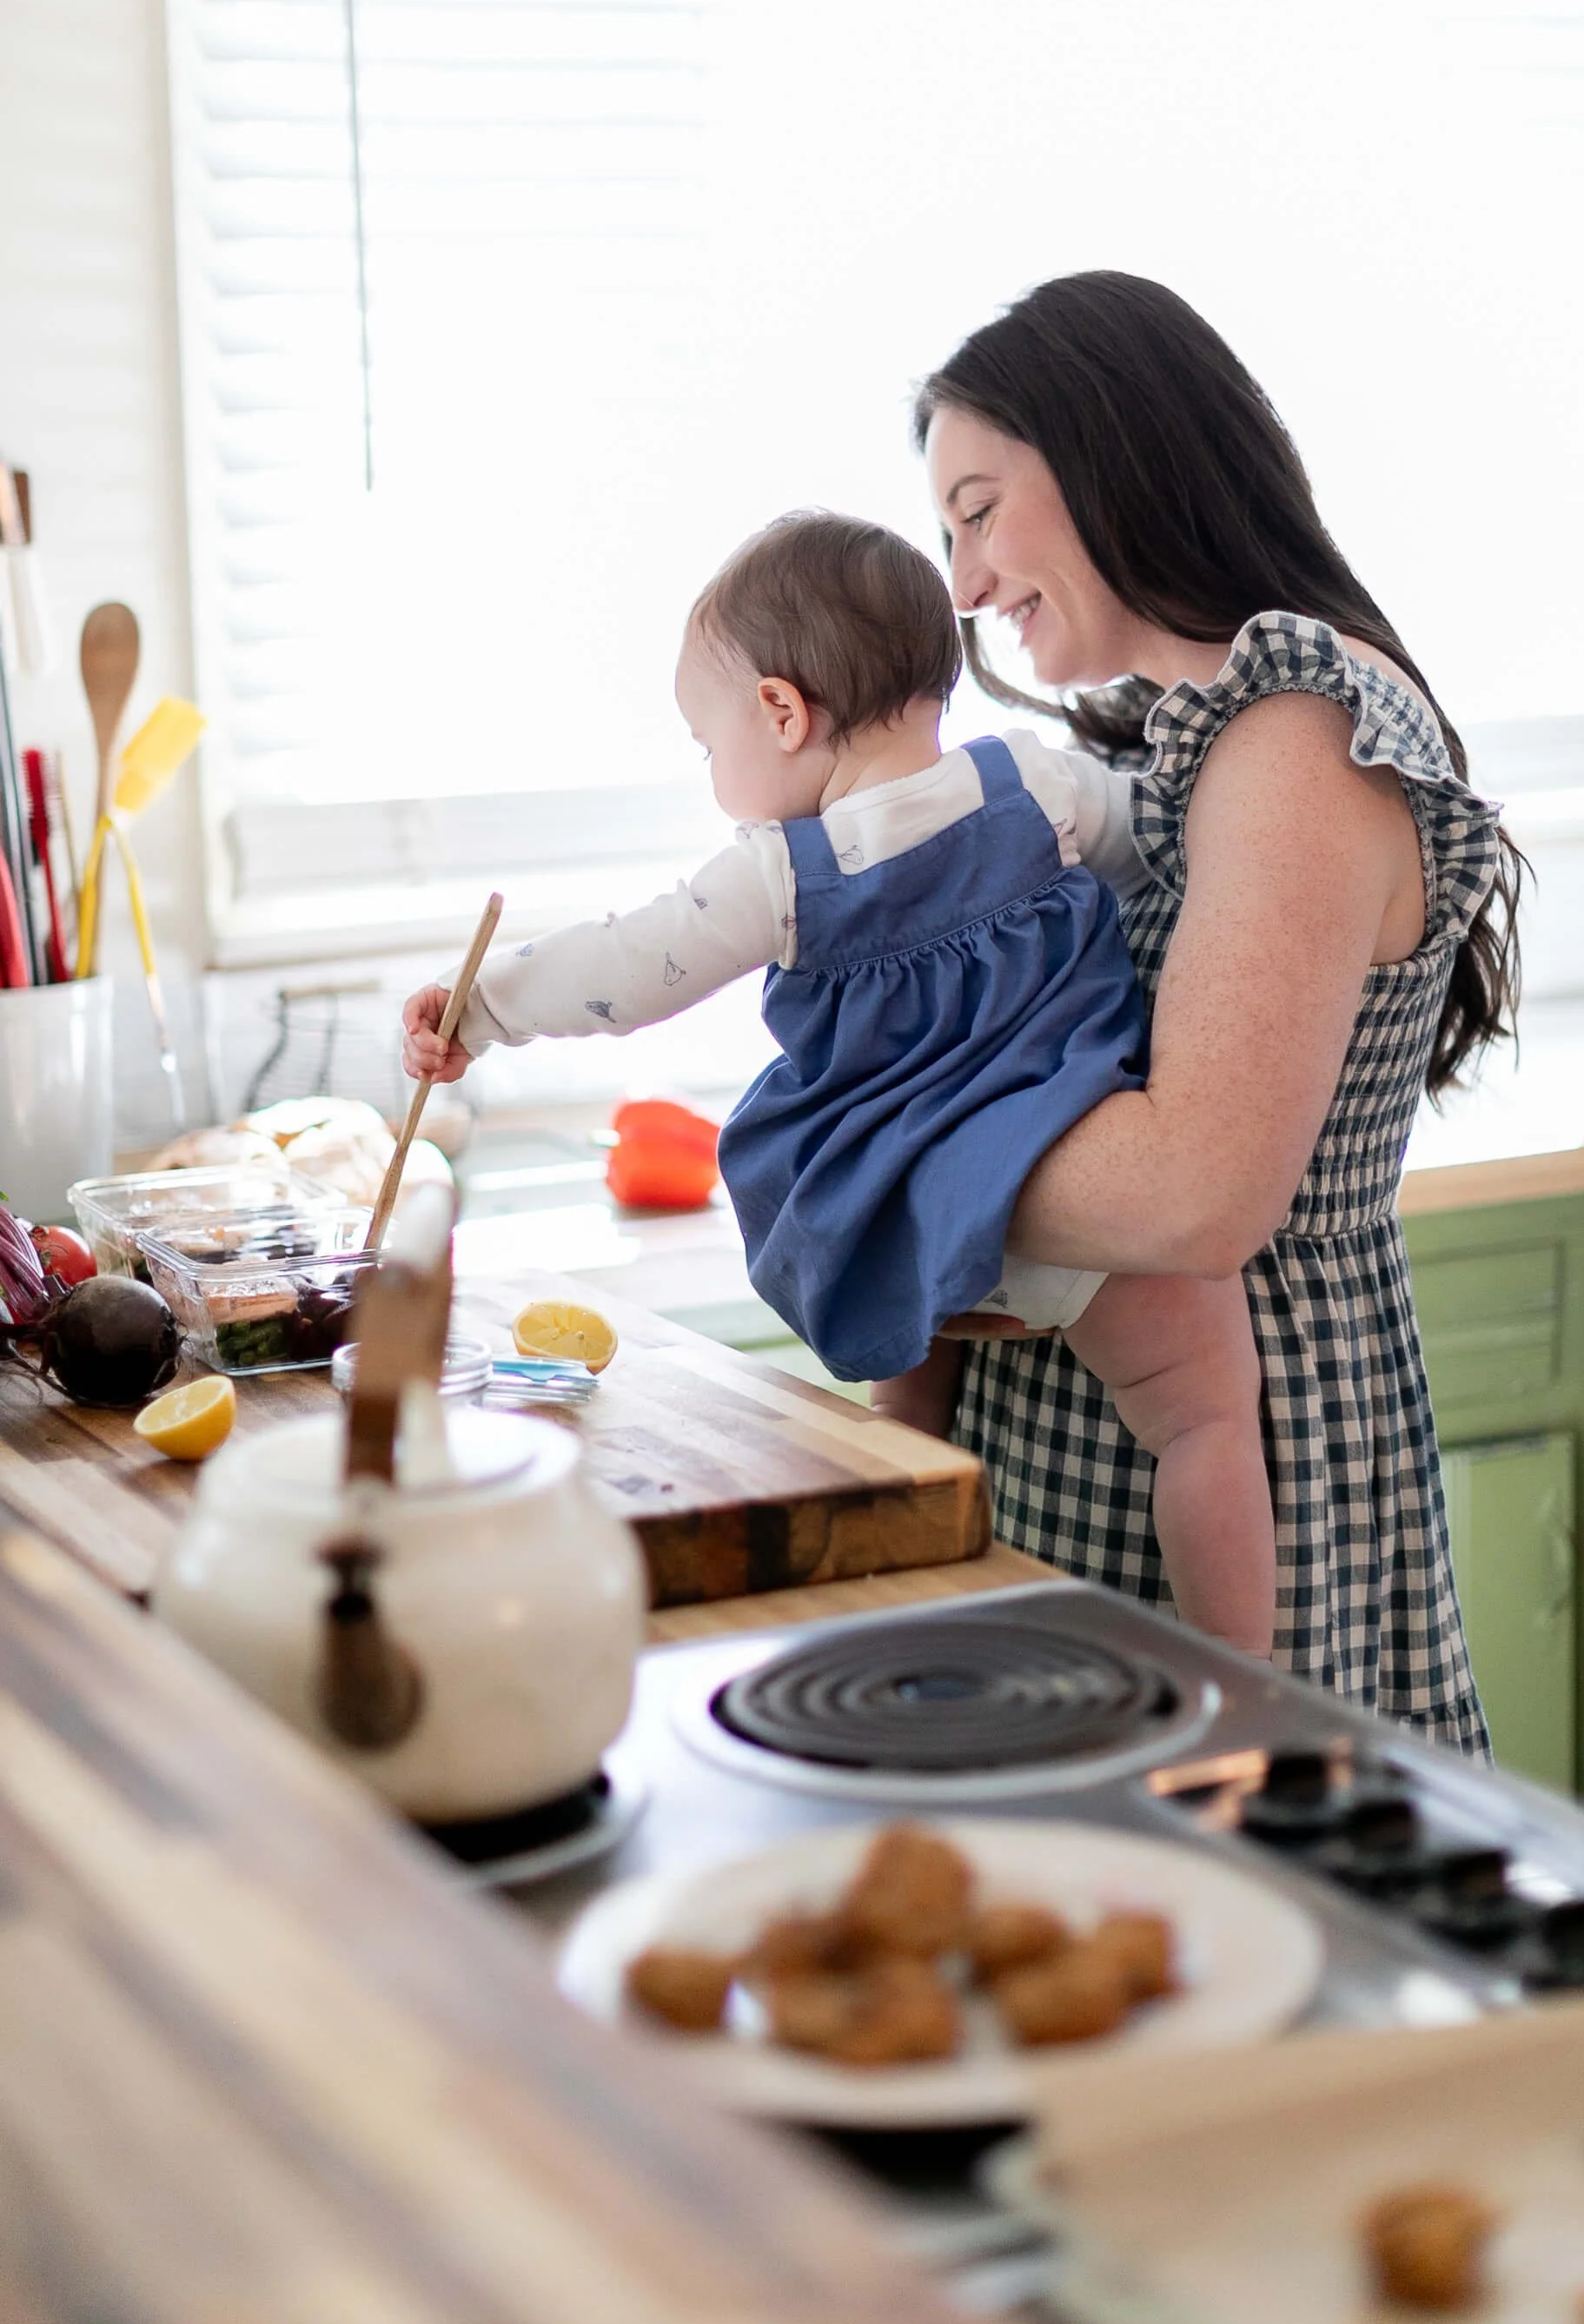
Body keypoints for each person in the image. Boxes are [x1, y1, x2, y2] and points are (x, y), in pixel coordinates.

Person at [401, 510, 1276, 1652]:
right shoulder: (1036, 787)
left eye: (708, 745)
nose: (716, 774)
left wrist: (484, 1006)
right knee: (1207, 1421)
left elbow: (626, 968)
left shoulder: (782, 876)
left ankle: (918, 1624)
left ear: (781, 710)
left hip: (906, 1201)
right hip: (1080, 1172)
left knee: (906, 1419)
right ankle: (1244, 1676)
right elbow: (1173, 835)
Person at [907, 272, 1522, 1751]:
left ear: (1113, 447)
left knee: (1252, 1917)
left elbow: (1196, 1195)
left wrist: (891, 1153)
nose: (966, 582)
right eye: (948, 533)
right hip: (1109, 1429)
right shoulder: (1182, 740)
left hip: (1255, 1443)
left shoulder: (1299, 733)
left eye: (981, 511)